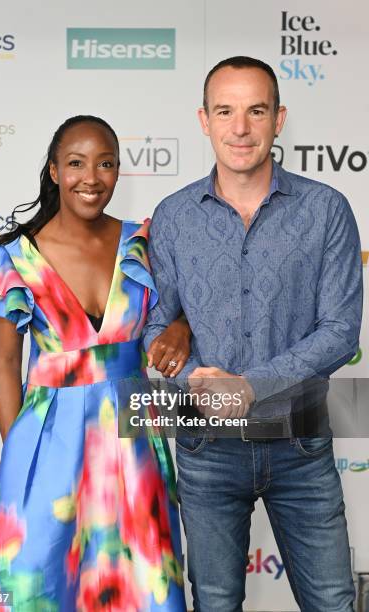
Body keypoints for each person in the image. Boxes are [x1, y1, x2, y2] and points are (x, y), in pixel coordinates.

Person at [0, 115, 189, 611]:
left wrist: (181, 325)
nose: (91, 178)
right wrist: (20, 455)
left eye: (105, 164)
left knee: (143, 586)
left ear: (119, 171)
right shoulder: (14, 259)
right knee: (35, 587)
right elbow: (5, 364)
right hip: (47, 445)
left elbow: (181, 307)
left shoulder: (144, 243)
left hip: (132, 442)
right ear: (54, 171)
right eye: (75, 163)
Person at [144, 57, 362, 612]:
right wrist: (197, 380)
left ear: (278, 118)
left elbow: (340, 330)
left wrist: (250, 386)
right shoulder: (172, 217)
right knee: (215, 603)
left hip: (300, 443)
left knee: (333, 601)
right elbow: (155, 324)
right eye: (226, 111)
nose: (240, 127)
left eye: (255, 111)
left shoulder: (326, 210)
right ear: (204, 120)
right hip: (206, 447)